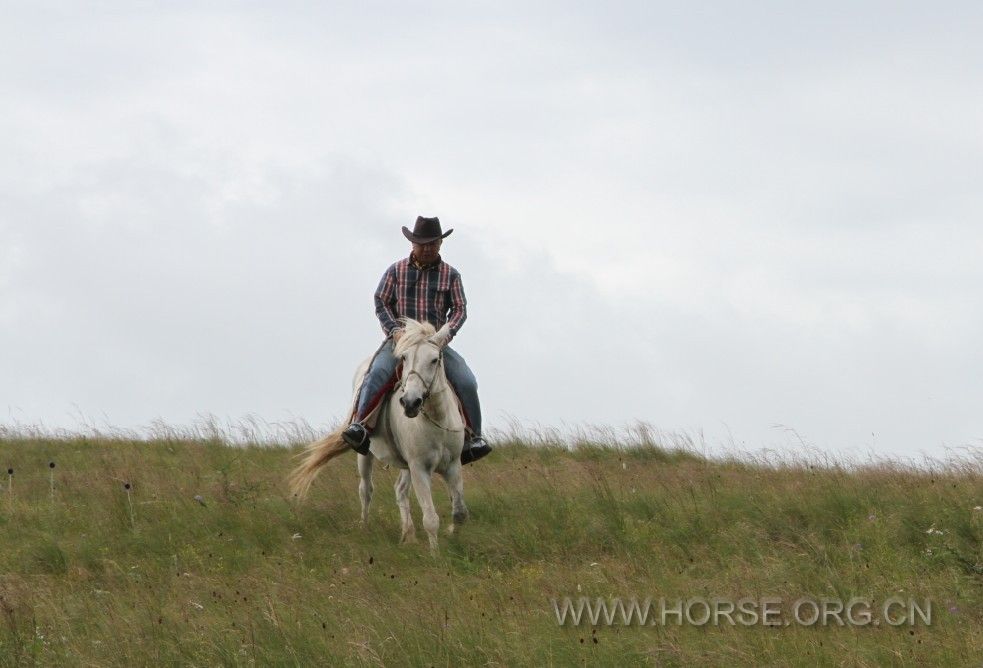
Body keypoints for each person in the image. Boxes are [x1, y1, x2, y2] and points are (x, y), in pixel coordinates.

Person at [342, 216, 493, 465]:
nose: (427, 248)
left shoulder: (450, 275)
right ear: (412, 244)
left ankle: (474, 438)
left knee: (467, 381)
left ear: (440, 244)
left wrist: (446, 335)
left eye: (432, 243)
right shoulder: (396, 270)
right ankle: (360, 427)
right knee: (376, 373)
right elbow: (381, 301)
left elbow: (459, 309)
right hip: (401, 342)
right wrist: (394, 330)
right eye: (421, 243)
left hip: (433, 345)